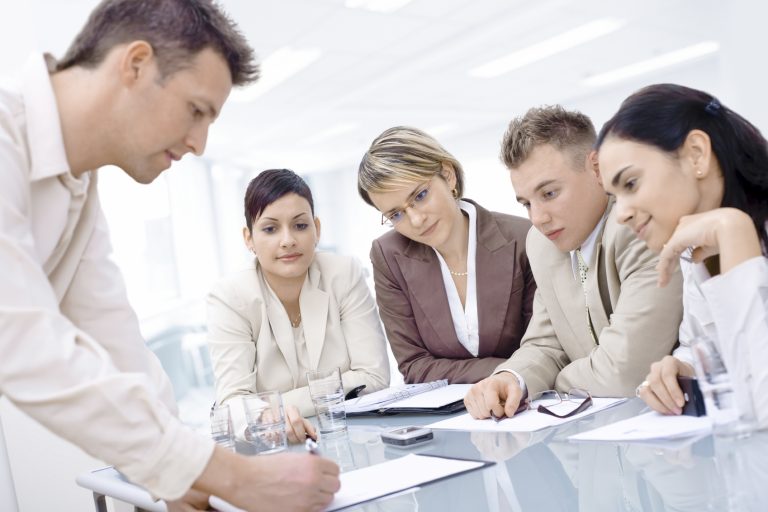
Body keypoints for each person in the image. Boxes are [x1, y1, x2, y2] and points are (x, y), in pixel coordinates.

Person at [0, 1, 339, 511]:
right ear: (135, 64)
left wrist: (184, 479)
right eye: (196, 110)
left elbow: (118, 344)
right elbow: (19, 338)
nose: (200, 143)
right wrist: (231, 477)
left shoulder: (76, 189)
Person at [464, 105, 684, 420]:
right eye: (526, 203)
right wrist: (512, 378)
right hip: (604, 439)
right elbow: (545, 343)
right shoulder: (542, 243)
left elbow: (626, 373)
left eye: (550, 193)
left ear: (596, 168)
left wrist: (555, 381)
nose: (537, 218)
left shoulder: (638, 226)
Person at [596, 84, 768, 428]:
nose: (621, 215)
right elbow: (701, 342)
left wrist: (733, 230)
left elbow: (760, 405)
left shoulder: (725, 228)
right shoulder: (696, 247)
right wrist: (684, 368)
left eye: (630, 184)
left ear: (696, 154)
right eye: (615, 197)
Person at [207, 169, 389, 429]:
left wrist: (274, 407)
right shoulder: (230, 297)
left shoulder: (343, 273)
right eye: (270, 229)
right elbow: (232, 402)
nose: (288, 240)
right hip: (275, 444)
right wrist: (320, 398)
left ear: (316, 229)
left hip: (352, 431)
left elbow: (374, 376)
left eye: (300, 226)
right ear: (249, 239)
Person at [358, 126, 535, 384]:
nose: (416, 220)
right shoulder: (389, 255)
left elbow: (544, 349)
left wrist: (513, 373)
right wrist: (507, 369)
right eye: (396, 214)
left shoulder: (523, 238)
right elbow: (414, 365)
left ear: (448, 176)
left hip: (529, 401)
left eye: (420, 195)